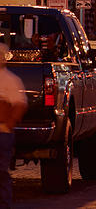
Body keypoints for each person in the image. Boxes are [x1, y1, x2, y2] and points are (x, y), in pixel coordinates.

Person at [0, 43, 25, 208]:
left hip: (2, 133)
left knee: (1, 173)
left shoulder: (10, 80)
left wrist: (8, 125)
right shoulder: (12, 79)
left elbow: (19, 105)